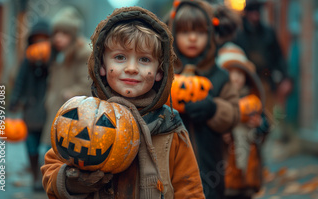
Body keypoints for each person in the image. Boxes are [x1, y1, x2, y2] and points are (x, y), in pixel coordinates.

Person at [41, 6, 205, 198]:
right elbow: (51, 171)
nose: (131, 68)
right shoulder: (84, 116)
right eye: (120, 57)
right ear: (102, 66)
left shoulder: (170, 125)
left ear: (160, 71)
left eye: (144, 59)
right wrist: (73, 183)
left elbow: (189, 188)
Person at [167, 1, 240, 198]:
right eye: (184, 32)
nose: (192, 38)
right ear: (173, 35)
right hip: (171, 168)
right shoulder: (165, 74)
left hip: (211, 164)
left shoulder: (220, 76)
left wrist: (214, 109)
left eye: (200, 33)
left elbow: (234, 112)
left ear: (210, 36)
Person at [217, 43, 270, 199]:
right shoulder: (219, 101)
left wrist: (260, 125)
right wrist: (222, 134)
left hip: (249, 169)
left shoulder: (253, 100)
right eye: (230, 73)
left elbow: (266, 128)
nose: (236, 78)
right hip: (224, 170)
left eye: (240, 73)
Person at [41, 6, 91, 155]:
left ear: (73, 34)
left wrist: (70, 93)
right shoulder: (58, 53)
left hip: (71, 111)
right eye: (55, 33)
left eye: (64, 33)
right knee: (50, 149)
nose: (58, 37)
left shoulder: (83, 53)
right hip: (56, 107)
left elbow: (87, 81)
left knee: (64, 150)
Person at [9, 19, 51, 191]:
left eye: (43, 40)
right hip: (30, 107)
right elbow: (20, 81)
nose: (39, 44)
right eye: (36, 40)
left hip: (47, 109)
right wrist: (14, 100)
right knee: (31, 144)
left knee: (47, 147)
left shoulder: (54, 59)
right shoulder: (27, 60)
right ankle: (35, 175)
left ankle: (46, 177)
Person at [232, 0, 292, 115]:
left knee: (270, 112)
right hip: (246, 83)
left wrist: (286, 77)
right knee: (248, 113)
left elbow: (278, 56)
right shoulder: (239, 35)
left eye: (257, 10)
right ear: (247, 12)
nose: (255, 14)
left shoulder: (268, 32)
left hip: (266, 80)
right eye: (252, 11)